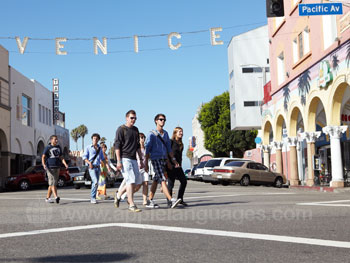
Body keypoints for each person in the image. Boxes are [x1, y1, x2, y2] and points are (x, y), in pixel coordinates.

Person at [144, 113, 182, 209]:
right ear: (156, 121)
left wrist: (172, 161)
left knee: (156, 180)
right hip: (155, 159)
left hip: (164, 160)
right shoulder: (151, 134)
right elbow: (147, 149)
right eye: (161, 119)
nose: (163, 121)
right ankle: (170, 199)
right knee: (163, 180)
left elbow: (169, 149)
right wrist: (145, 163)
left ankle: (150, 200)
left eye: (164, 120)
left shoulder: (166, 134)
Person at [114, 110, 144, 212]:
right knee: (130, 181)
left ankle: (118, 194)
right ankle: (131, 203)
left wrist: (141, 159)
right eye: (132, 118)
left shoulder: (136, 130)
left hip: (134, 159)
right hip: (124, 158)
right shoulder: (121, 129)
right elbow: (117, 146)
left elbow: (137, 146)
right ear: (127, 118)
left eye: (135, 118)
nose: (133, 120)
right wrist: (118, 161)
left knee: (138, 182)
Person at [42, 135, 68, 204]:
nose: (56, 141)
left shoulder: (58, 147)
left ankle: (47, 198)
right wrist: (44, 164)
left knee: (52, 184)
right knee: (52, 183)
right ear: (51, 140)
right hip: (50, 167)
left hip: (57, 167)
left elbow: (61, 157)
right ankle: (56, 197)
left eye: (57, 139)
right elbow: (43, 156)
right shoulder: (48, 147)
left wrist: (65, 164)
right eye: (55, 139)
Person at [167, 127, 188, 207]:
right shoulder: (171, 142)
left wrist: (180, 164)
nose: (181, 133)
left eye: (182, 132)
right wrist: (168, 163)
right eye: (179, 132)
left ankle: (180, 199)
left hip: (178, 166)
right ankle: (170, 201)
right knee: (171, 184)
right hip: (171, 166)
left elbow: (180, 157)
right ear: (175, 133)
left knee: (184, 181)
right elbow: (168, 153)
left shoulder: (181, 144)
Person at [83, 133, 105, 204]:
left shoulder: (99, 148)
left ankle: (94, 197)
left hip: (98, 167)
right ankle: (92, 197)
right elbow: (84, 158)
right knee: (95, 182)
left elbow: (102, 158)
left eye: (96, 139)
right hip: (91, 167)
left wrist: (107, 166)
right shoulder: (88, 147)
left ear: (98, 140)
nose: (95, 140)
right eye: (94, 138)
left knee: (95, 183)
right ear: (92, 139)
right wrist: (89, 163)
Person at [134, 133, 150, 206]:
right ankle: (128, 194)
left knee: (146, 183)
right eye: (141, 137)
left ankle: (144, 200)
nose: (142, 139)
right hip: (138, 169)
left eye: (143, 137)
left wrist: (147, 165)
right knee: (138, 186)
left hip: (145, 168)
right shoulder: (136, 149)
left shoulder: (146, 149)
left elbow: (147, 158)